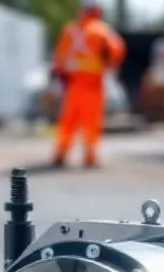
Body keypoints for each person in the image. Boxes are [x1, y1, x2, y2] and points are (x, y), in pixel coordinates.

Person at [50, 0, 126, 169]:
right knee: (91, 122)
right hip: (93, 84)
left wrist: (58, 76)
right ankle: (90, 157)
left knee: (68, 122)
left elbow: (59, 56)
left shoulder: (71, 30)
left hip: (74, 84)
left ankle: (60, 154)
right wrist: (108, 66)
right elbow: (117, 51)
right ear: (97, 11)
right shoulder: (102, 30)